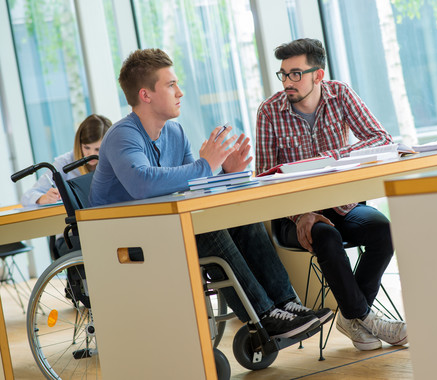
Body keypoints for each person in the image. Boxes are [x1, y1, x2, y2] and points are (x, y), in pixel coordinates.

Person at [88, 48, 333, 339]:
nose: (180, 92)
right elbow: (143, 184)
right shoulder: (122, 135)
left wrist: (226, 174)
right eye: (170, 85)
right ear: (146, 95)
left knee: (242, 218)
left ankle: (286, 304)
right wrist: (206, 166)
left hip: (160, 227)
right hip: (122, 239)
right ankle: (263, 316)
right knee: (208, 231)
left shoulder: (175, 133)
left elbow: (194, 187)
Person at [255, 38, 407, 350]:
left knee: (383, 231)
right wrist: (301, 213)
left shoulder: (340, 94)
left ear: (318, 75)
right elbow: (265, 179)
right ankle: (368, 318)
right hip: (293, 214)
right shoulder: (269, 112)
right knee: (324, 236)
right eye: (283, 74)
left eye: (295, 74)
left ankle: (352, 317)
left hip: (343, 205)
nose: (287, 82)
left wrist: (337, 157)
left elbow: (380, 138)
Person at [21, 114, 111, 257]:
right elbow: (26, 196)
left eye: (97, 149)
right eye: (86, 147)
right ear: (79, 143)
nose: (90, 154)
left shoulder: (114, 162)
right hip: (70, 237)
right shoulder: (64, 163)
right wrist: (43, 198)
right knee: (105, 245)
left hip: (106, 229)